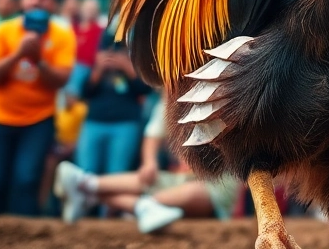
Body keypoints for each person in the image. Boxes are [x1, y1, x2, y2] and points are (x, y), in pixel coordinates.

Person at [55, 95, 241, 232]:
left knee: (194, 191)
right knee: (147, 178)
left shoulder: (221, 96)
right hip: (180, 180)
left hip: (217, 187)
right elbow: (152, 135)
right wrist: (150, 162)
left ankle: (88, 189)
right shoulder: (171, 99)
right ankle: (88, 185)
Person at [0, 0, 76, 216]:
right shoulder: (4, 30)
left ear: (52, 4)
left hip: (39, 120)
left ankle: (24, 237)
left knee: (27, 180)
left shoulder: (63, 35)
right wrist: (17, 55)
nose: (37, 1)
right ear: (23, 1)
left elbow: (61, 80)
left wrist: (39, 60)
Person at [77, 30, 152, 179]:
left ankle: (109, 203)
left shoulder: (133, 65)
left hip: (125, 124)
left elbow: (144, 89)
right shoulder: (96, 65)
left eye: (118, 48)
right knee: (85, 172)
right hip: (94, 122)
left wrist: (127, 67)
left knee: (116, 173)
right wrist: (99, 69)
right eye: (107, 48)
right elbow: (84, 92)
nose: (112, 52)